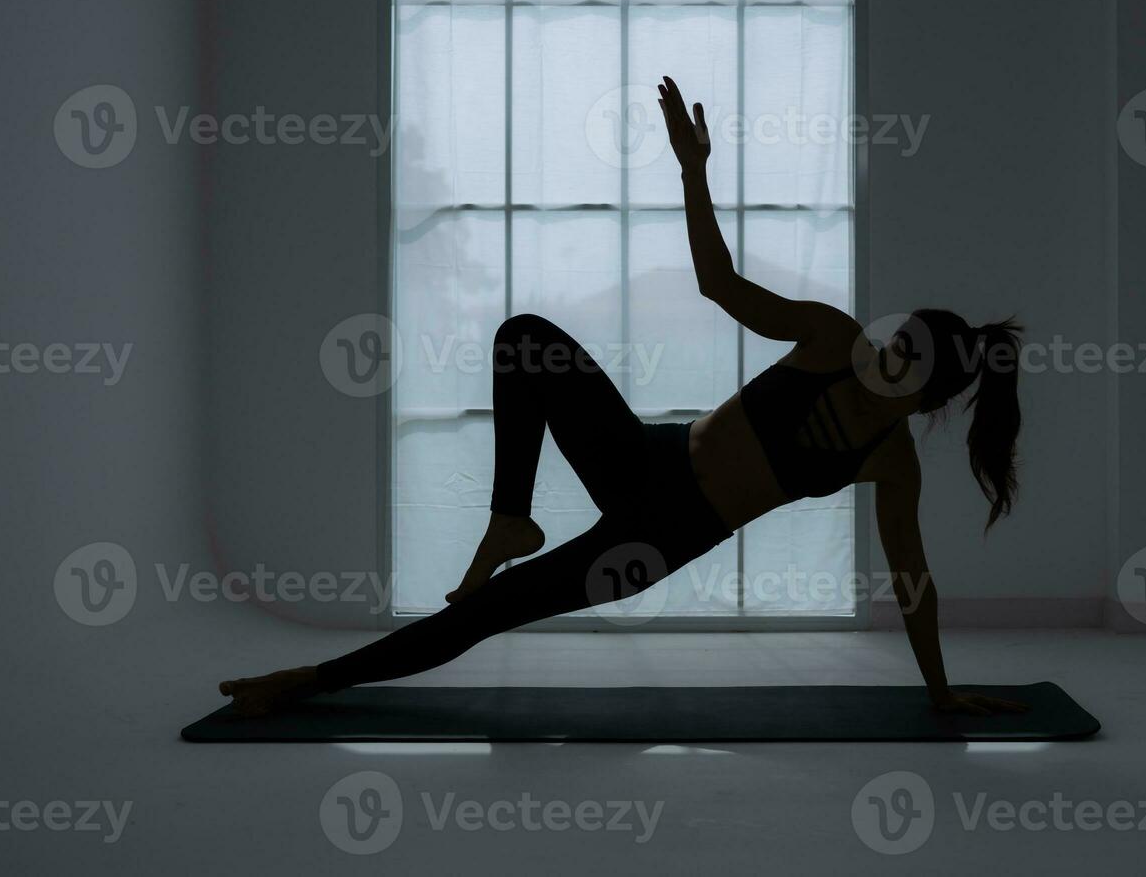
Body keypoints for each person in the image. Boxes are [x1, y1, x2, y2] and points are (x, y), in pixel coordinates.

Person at [220, 77, 1027, 718]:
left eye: (907, 359)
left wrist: (938, 689)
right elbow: (718, 285)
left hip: (664, 537)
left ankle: (304, 680)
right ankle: (511, 515)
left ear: (925, 395)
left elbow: (911, 580)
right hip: (643, 454)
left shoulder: (890, 462)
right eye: (897, 339)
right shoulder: (830, 338)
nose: (887, 354)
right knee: (523, 336)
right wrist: (692, 170)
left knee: (489, 612)